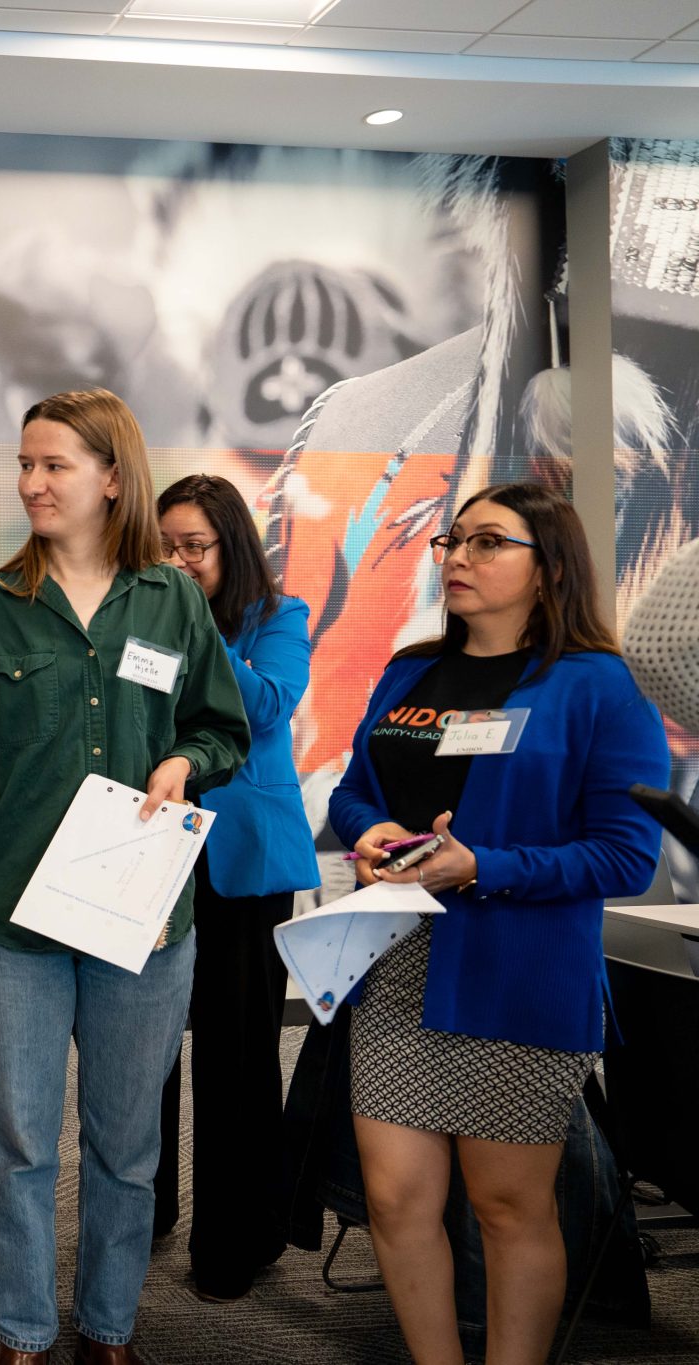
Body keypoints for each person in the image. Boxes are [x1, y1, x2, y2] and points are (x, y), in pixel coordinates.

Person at [0, 389, 250, 1365]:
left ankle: (106, 1330)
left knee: (124, 1145)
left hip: (141, 918)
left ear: (111, 476)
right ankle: (22, 1334)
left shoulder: (171, 599)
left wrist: (185, 761)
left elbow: (219, 725)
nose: (30, 483)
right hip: (10, 920)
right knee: (16, 1145)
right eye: (23, 464)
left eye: (52, 464)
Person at [329, 482, 669, 1365]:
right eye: (453, 541)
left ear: (549, 566)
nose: (458, 558)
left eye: (488, 543)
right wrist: (367, 828)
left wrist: (485, 866)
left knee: (508, 1208)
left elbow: (627, 856)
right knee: (395, 1198)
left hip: (519, 975)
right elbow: (356, 784)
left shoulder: (597, 686)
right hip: (397, 961)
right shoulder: (410, 669)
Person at [148, 474, 319, 1300]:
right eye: (167, 547)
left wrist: (190, 625)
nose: (179, 562)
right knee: (140, 1050)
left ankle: (236, 1236)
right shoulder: (132, 615)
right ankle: (142, 1213)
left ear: (232, 546)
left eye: (195, 548)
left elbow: (266, 705)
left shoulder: (280, 618)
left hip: (243, 860)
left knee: (237, 1050)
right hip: (149, 850)